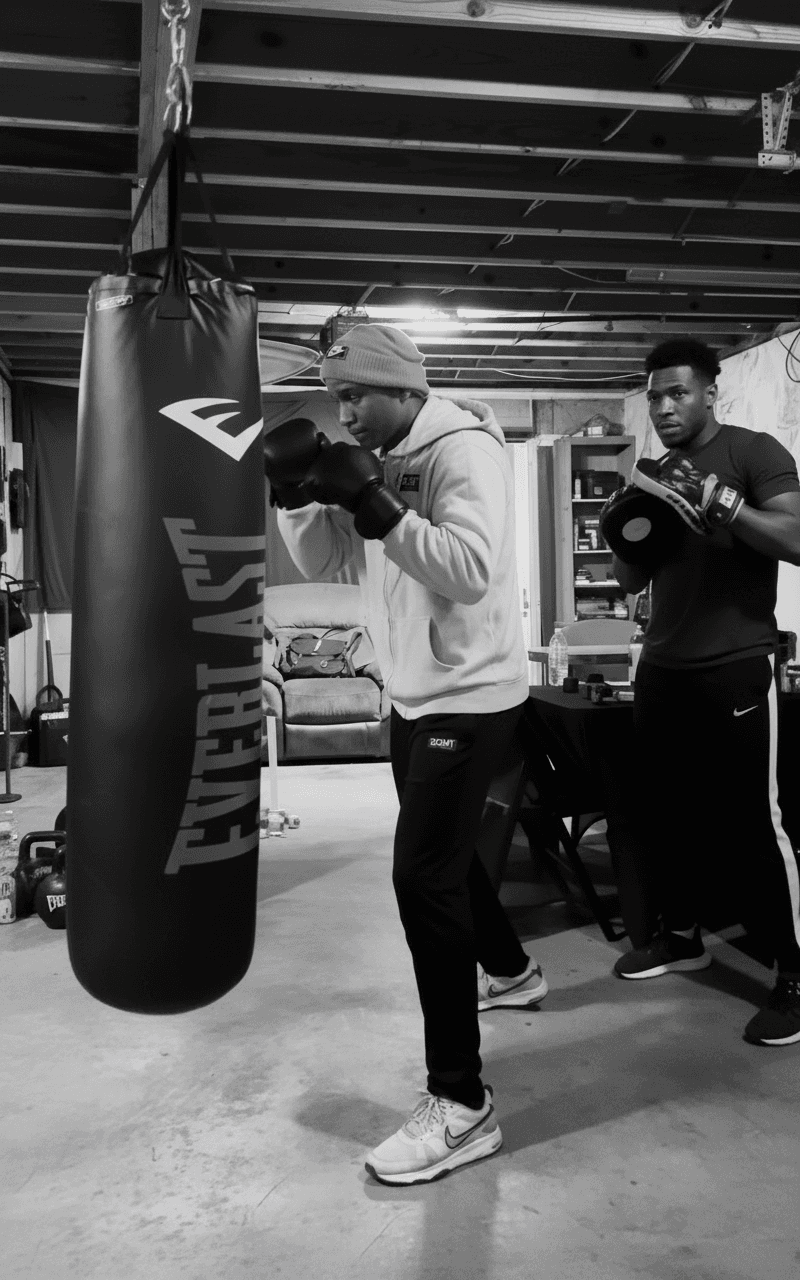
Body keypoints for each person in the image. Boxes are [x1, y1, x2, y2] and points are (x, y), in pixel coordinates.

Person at [264, 323, 547, 1186]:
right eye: (336, 397)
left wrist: (379, 503)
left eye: (356, 396)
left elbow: (467, 570)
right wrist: (299, 496)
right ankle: (511, 969)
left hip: (471, 694)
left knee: (420, 877)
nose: (344, 413)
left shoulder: (464, 452)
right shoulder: (376, 455)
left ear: (402, 388)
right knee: (445, 858)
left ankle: (463, 1106)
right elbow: (336, 559)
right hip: (414, 694)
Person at [610, 338, 800, 1047]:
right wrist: (635, 522)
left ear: (710, 392)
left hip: (736, 665)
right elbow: (632, 581)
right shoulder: (652, 471)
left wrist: (725, 505)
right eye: (654, 395)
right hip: (663, 667)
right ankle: (681, 936)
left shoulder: (754, 453)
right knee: (667, 816)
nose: (662, 407)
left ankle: (795, 977)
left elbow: (797, 536)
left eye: (676, 393)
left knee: (757, 826)